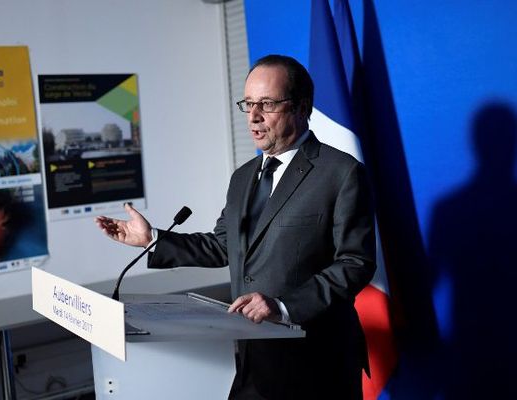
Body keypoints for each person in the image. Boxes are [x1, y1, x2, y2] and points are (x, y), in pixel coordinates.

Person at [96, 55, 376, 399]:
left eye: (267, 104)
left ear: (302, 107)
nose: (254, 117)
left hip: (315, 362)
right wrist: (152, 239)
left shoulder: (341, 172)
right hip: (252, 360)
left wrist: (283, 306)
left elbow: (355, 263)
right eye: (248, 104)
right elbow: (222, 245)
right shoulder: (243, 177)